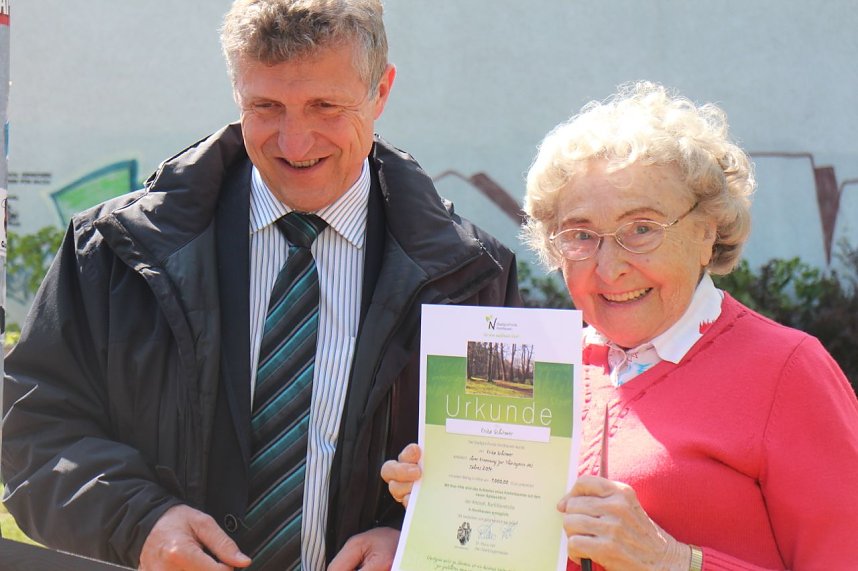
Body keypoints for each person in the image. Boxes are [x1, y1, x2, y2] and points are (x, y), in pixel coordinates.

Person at [0, 1, 520, 570]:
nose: (295, 143)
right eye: (266, 106)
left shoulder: (474, 280)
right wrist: (139, 523)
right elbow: (35, 434)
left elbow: (503, 470)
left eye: (325, 106)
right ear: (236, 93)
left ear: (381, 92)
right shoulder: (111, 252)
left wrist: (419, 537)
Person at [381, 82, 858, 570]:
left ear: (706, 231)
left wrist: (674, 561)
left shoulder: (788, 372)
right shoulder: (540, 366)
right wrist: (429, 517)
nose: (610, 270)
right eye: (582, 235)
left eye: (642, 229)